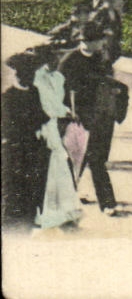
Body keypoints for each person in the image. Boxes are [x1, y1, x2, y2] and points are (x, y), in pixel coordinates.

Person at [57, 25, 125, 215]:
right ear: (83, 42)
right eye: (88, 41)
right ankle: (105, 203)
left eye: (96, 40)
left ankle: (101, 202)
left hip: (100, 115)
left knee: (94, 159)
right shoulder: (70, 61)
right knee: (80, 159)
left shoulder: (102, 60)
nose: (94, 44)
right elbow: (58, 89)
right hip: (78, 117)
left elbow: (108, 82)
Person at [2, 50, 51, 232]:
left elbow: (40, 116)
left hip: (31, 143)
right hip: (14, 145)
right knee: (13, 182)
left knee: (34, 180)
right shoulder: (8, 97)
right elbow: (7, 126)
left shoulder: (34, 92)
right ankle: (12, 217)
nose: (23, 78)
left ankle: (30, 215)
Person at [32, 47, 81, 231]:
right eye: (51, 60)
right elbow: (45, 103)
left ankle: (64, 208)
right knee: (45, 164)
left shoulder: (59, 78)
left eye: (57, 60)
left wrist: (67, 111)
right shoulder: (37, 78)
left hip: (52, 125)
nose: (55, 64)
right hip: (41, 124)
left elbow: (58, 102)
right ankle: (42, 211)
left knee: (59, 163)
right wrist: (62, 112)